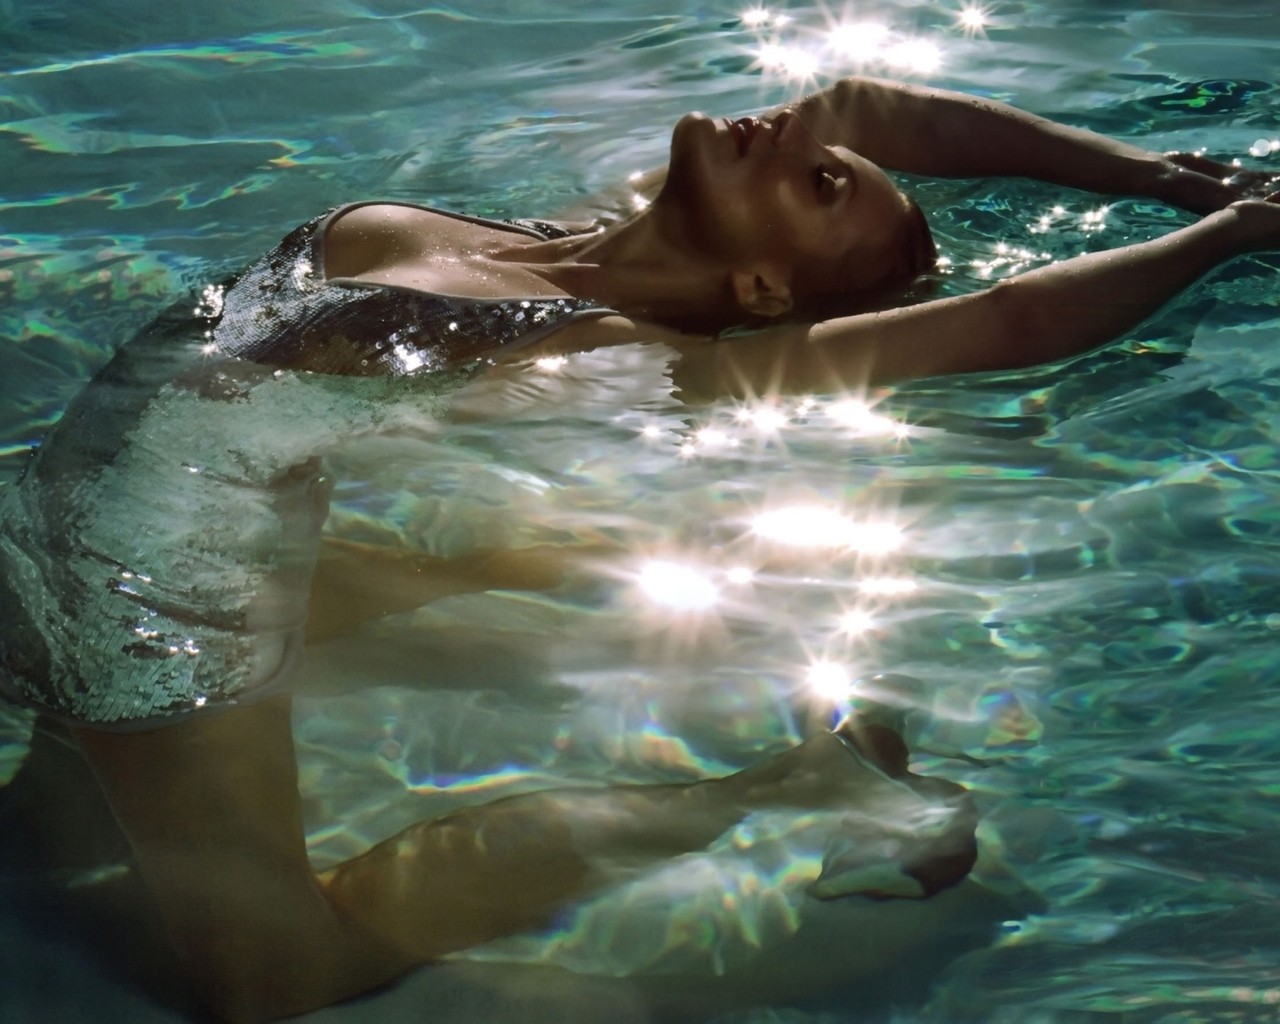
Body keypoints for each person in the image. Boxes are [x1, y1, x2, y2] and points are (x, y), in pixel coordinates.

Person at [1, 74, 1277, 1023]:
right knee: (49, 837)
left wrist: (1224, 240)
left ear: (768, 294)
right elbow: (879, 110)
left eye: (821, 183)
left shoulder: (654, 356)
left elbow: (1004, 321)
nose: (802, 135)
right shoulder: (569, 230)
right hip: (71, 516)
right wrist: (1165, 177)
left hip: (157, 600)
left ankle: (787, 789)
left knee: (274, 978)